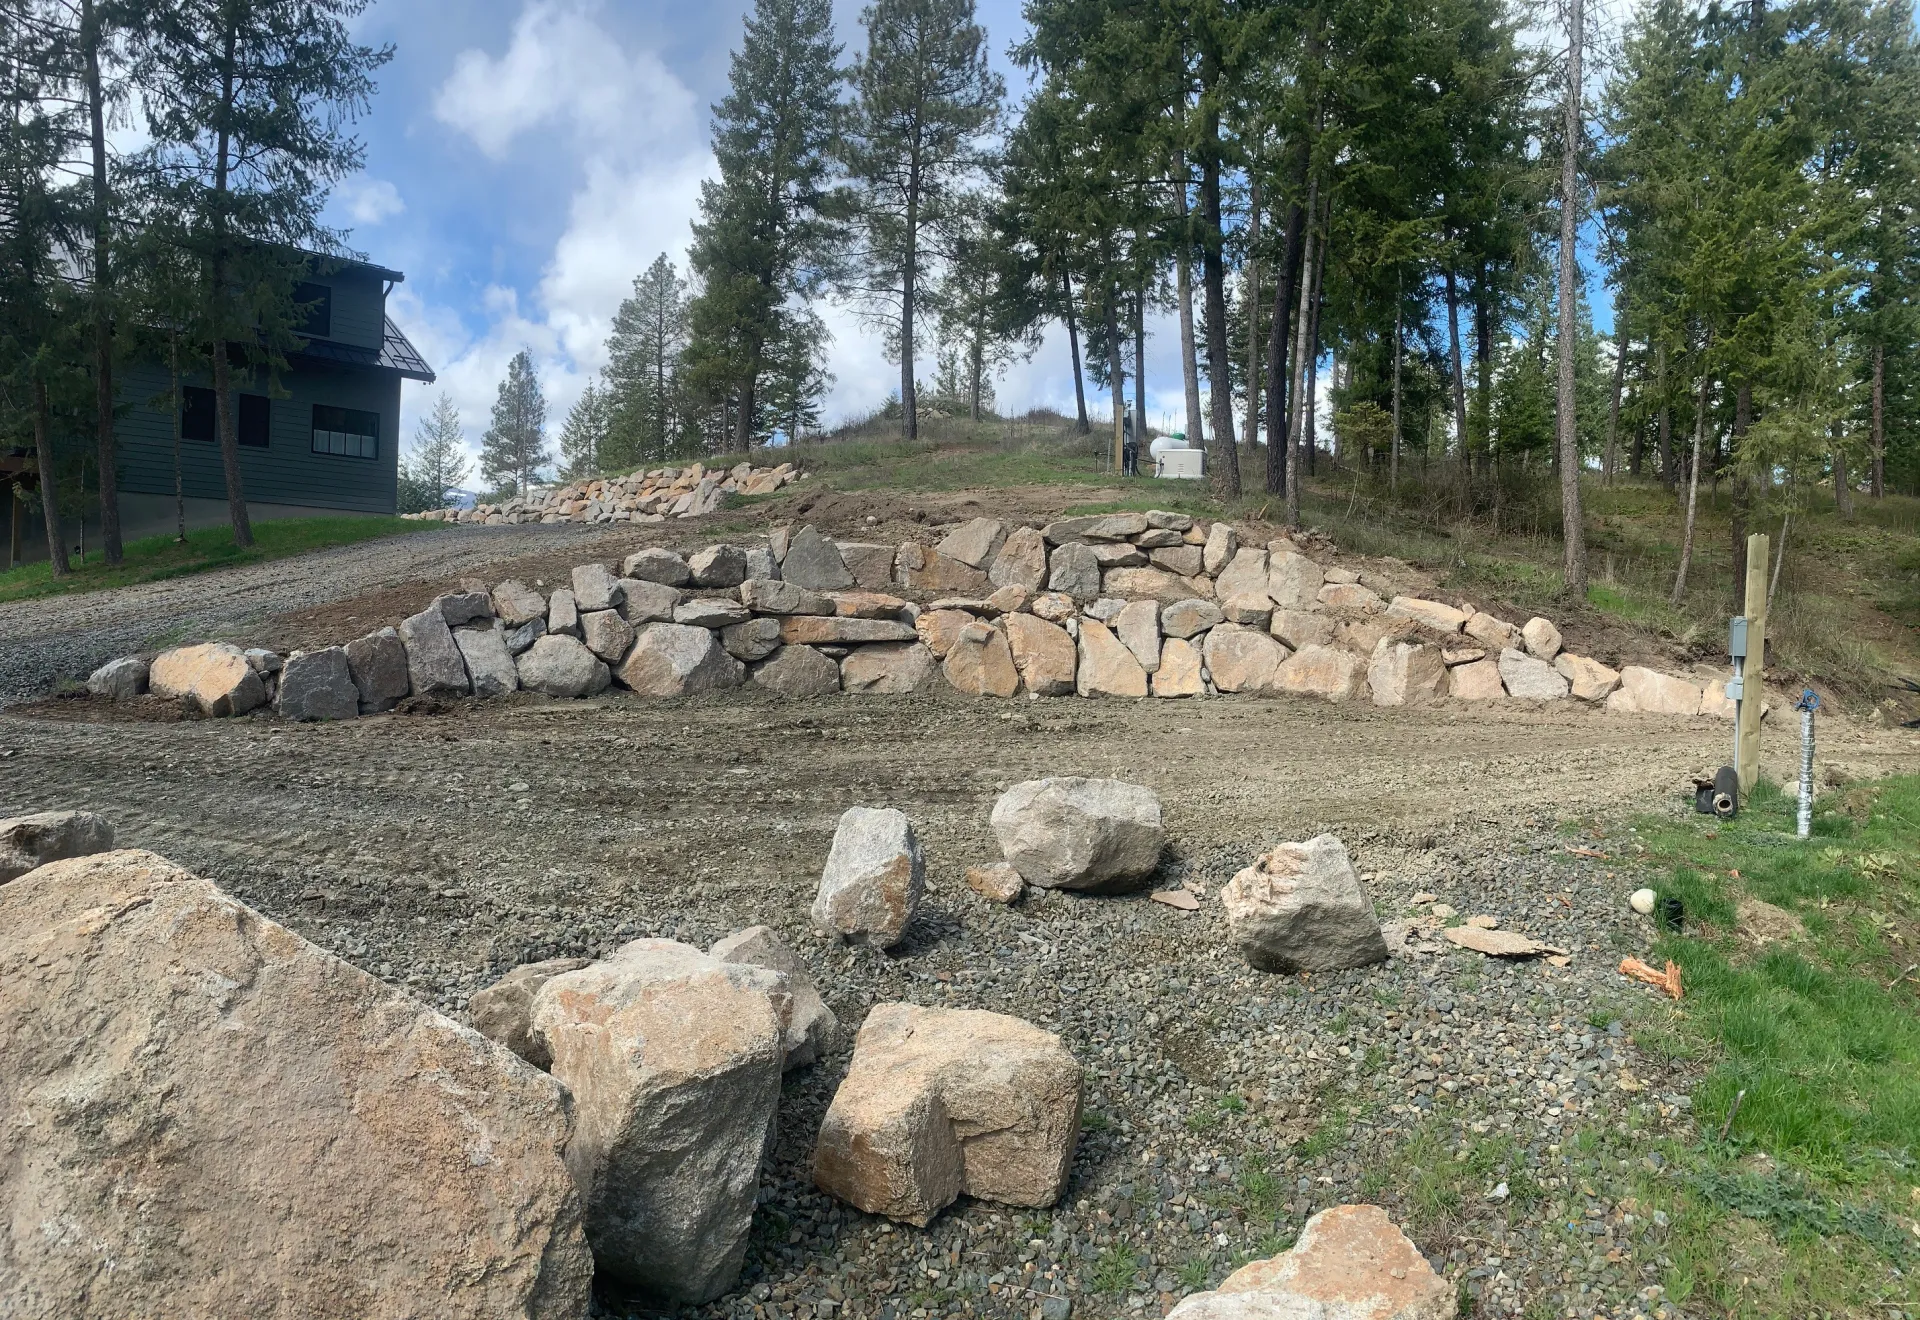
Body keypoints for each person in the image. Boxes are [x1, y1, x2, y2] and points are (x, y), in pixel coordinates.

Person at [1121, 410, 1139, 477]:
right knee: (1126, 457)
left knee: (1131, 455)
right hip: (1128, 446)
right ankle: (1127, 472)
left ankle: (1130, 472)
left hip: (1131, 445)